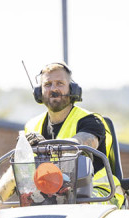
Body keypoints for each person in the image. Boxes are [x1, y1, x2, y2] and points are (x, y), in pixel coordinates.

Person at [24, 61, 123, 207]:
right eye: (48, 84)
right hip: (55, 196)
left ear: (73, 89)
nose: (54, 89)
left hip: (100, 195)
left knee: (79, 206)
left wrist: (44, 146)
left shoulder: (91, 121)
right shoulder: (32, 126)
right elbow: (19, 168)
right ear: (39, 92)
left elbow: (83, 142)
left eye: (60, 83)